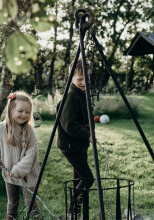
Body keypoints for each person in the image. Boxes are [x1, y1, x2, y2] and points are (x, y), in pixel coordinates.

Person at [0, 91, 42, 220]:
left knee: (31, 202)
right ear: (11, 110)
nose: (24, 115)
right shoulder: (2, 128)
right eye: (20, 111)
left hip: (27, 172)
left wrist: (18, 169)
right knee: (13, 201)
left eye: (27, 112)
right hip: (9, 172)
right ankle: (12, 218)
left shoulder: (29, 131)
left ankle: (36, 218)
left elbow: (31, 153)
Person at [57, 59, 94, 217]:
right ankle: (72, 209)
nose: (84, 82)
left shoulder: (81, 94)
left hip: (78, 145)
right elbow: (69, 124)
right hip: (70, 146)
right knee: (87, 179)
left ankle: (78, 212)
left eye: (87, 78)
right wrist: (88, 135)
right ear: (71, 77)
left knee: (78, 178)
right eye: (80, 79)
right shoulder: (71, 96)